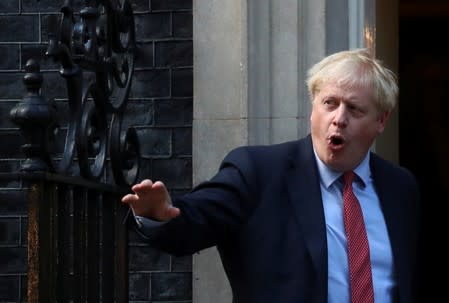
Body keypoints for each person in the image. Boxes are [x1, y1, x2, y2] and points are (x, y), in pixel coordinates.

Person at [122, 48, 420, 303]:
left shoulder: (399, 186)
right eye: (330, 103)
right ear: (313, 107)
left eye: (354, 109)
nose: (338, 119)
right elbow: (195, 219)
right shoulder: (259, 171)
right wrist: (158, 216)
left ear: (381, 120)